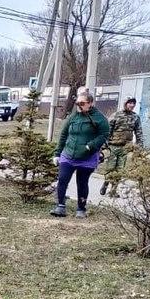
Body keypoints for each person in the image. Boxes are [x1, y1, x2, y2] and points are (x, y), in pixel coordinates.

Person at [50, 88, 110, 218]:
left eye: (82, 103)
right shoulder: (74, 117)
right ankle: (60, 206)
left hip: (87, 157)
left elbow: (104, 134)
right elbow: (64, 135)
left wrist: (90, 146)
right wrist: (57, 153)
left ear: (90, 103)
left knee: (82, 183)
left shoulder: (99, 118)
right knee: (62, 180)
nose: (79, 106)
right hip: (68, 154)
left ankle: (81, 209)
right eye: (77, 103)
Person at [101, 97, 144, 196]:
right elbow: (107, 130)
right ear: (125, 103)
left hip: (125, 147)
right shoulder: (116, 115)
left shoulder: (135, 117)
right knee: (110, 167)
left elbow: (139, 132)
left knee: (120, 169)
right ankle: (106, 183)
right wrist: (104, 144)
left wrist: (139, 146)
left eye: (133, 103)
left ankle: (113, 190)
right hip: (113, 146)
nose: (132, 105)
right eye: (130, 103)